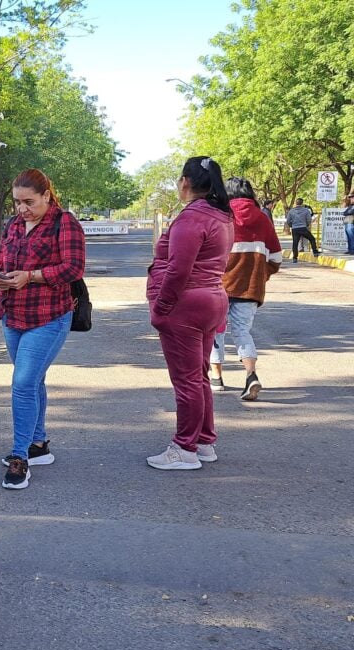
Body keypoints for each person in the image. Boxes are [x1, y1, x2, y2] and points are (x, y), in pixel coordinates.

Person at [0, 169, 85, 490]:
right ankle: (39, 443)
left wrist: (30, 276)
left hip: (49, 316)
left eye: (29, 202)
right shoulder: (14, 225)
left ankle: (20, 457)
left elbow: (73, 268)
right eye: (17, 202)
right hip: (13, 314)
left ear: (46, 195)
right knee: (33, 381)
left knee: (22, 383)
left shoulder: (64, 223)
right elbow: (4, 259)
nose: (22, 209)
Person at [146, 157, 233, 470]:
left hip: (186, 305)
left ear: (185, 182)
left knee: (186, 381)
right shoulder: (221, 215)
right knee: (199, 377)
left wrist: (161, 308)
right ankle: (204, 441)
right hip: (211, 300)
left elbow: (178, 269)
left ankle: (184, 449)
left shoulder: (192, 217)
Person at [208, 177, 282, 402]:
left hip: (218, 286)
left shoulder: (221, 216)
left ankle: (217, 378)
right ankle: (251, 376)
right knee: (242, 331)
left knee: (214, 331)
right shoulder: (262, 218)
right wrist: (260, 275)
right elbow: (276, 257)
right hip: (250, 288)